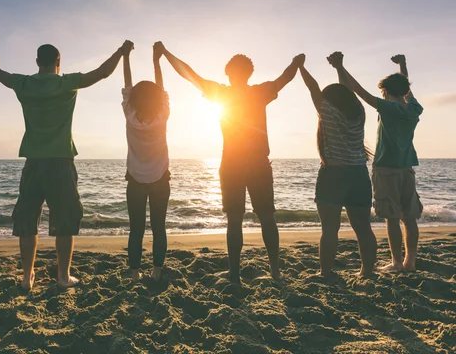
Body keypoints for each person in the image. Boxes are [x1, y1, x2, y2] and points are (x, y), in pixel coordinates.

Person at [0, 31, 134, 290]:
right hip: (61, 161)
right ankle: (63, 277)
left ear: (37, 61)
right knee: (64, 220)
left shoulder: (25, 84)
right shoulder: (66, 83)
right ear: (58, 61)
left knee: (28, 220)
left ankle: (27, 277)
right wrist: (121, 52)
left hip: (33, 162)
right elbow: (102, 73)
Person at [157, 41, 304, 282]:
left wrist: (165, 53)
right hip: (258, 163)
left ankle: (235, 273)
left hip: (233, 163)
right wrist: (296, 63)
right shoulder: (259, 91)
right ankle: (275, 270)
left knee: (235, 218)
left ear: (228, 73)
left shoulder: (222, 93)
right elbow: (285, 78)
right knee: (267, 215)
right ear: (249, 73)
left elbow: (189, 74)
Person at [328, 52, 423, 272]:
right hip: (407, 169)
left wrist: (340, 67)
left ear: (387, 92)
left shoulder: (388, 108)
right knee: (409, 218)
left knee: (391, 218)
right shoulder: (413, 108)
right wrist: (403, 65)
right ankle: (410, 262)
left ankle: (397, 263)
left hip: (386, 168)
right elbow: (407, 89)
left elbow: (359, 92)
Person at [297, 56, 377, 277]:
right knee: (363, 229)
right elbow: (346, 90)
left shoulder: (327, 110)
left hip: (333, 175)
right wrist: (339, 67)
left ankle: (326, 273)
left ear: (329, 99)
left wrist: (301, 67)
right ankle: (367, 272)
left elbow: (313, 87)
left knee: (330, 230)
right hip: (359, 175)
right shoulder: (359, 111)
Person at [122, 42, 171, 282]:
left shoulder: (130, 114)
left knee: (136, 228)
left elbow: (128, 85)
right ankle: (157, 271)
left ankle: (134, 273)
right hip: (161, 178)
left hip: (135, 180)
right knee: (158, 226)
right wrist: (156, 60)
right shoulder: (162, 116)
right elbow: (160, 88)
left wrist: (125, 56)